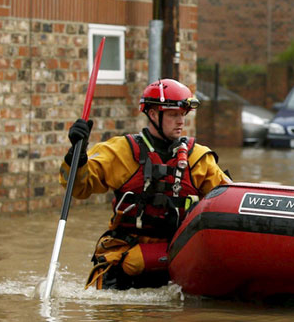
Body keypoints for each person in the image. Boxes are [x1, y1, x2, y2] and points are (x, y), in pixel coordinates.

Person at [60, 79, 231, 290]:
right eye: (172, 115)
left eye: (182, 115)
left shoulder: (198, 158)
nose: (180, 122)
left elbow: (227, 200)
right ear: (152, 114)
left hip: (175, 255)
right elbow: (79, 188)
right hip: (125, 258)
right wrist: (76, 157)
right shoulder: (120, 151)